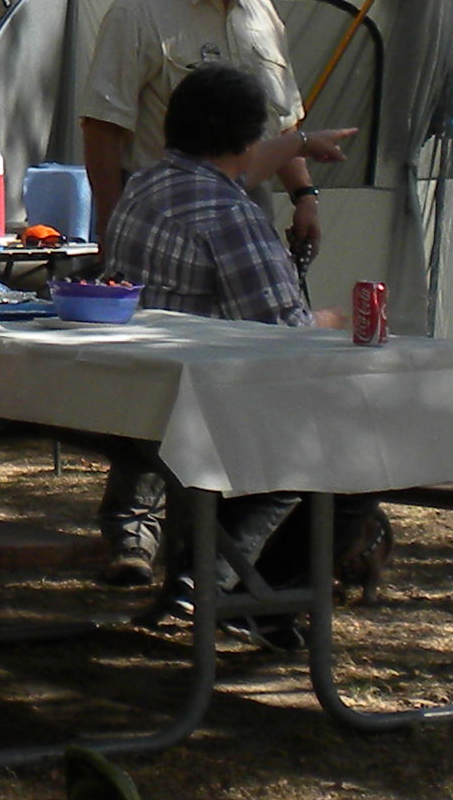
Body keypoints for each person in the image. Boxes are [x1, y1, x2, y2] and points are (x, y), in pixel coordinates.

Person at [95, 63, 390, 616]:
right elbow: (287, 334)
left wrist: (299, 146)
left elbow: (242, 167)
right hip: (205, 410)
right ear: (251, 139)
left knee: (285, 445)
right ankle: (252, 596)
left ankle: (207, 578)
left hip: (134, 400)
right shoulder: (230, 214)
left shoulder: (142, 188)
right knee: (355, 452)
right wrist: (336, 319)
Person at [76, 0, 358, 265]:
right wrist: (111, 234)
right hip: (168, 225)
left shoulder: (261, 12)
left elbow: (283, 122)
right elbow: (102, 128)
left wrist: (304, 197)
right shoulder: (139, 10)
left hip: (248, 220)